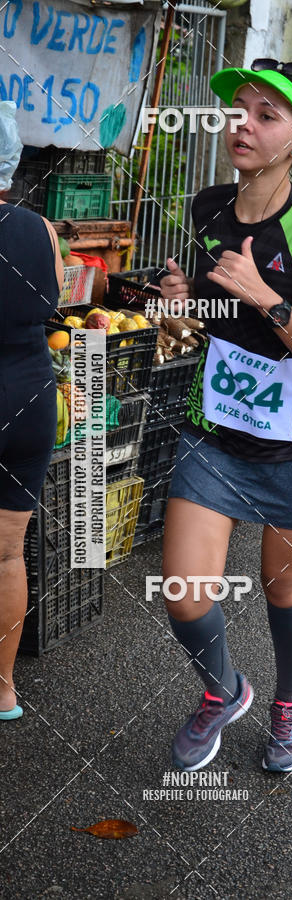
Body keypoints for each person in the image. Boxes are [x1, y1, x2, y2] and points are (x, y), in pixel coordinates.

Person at [160, 60, 292, 773]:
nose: (243, 123)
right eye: (238, 108)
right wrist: (184, 307)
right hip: (216, 432)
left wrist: (265, 298)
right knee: (184, 593)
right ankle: (225, 691)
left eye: (266, 116)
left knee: (285, 588)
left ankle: (289, 702)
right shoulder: (208, 207)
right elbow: (204, 324)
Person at [0, 101, 64, 720]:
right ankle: (3, 690)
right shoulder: (42, 230)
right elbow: (56, 300)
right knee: (6, 553)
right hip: (29, 398)